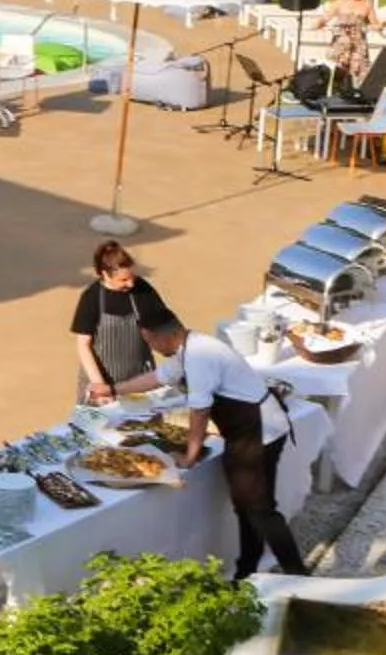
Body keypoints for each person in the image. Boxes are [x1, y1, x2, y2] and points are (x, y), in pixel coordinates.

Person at [146, 320, 308, 579]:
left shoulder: (198, 356)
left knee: (259, 509)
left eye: (149, 341)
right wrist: (110, 389)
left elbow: (199, 411)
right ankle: (246, 573)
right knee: (248, 507)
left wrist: (190, 455)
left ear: (162, 336)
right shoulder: (193, 346)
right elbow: (157, 377)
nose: (150, 347)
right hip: (256, 430)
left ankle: (299, 577)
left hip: (257, 432)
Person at [69, 241, 175, 404]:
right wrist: (100, 386)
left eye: (132, 277)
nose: (131, 284)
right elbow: (83, 345)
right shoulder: (91, 297)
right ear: (105, 274)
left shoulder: (142, 289)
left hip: (140, 381)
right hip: (102, 384)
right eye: (123, 280)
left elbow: (166, 326)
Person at [321, 0, 381, 92]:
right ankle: (333, 95)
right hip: (341, 44)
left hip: (359, 45)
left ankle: (354, 97)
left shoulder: (367, 4)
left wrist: (383, 25)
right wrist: (317, 25)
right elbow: (324, 19)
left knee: (359, 73)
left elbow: (375, 25)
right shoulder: (339, 3)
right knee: (337, 74)